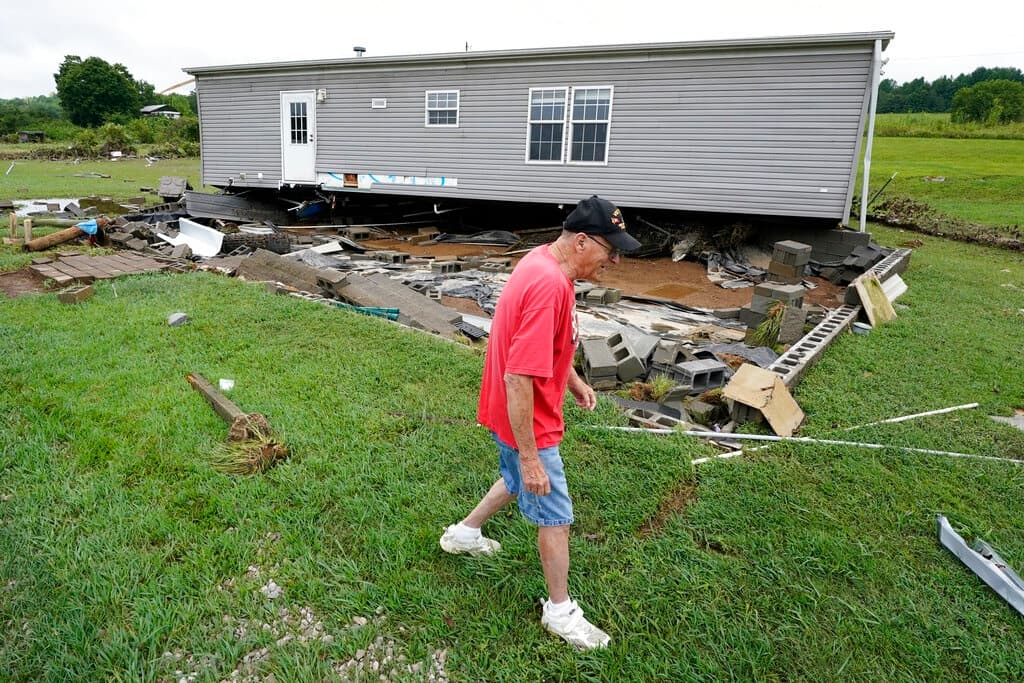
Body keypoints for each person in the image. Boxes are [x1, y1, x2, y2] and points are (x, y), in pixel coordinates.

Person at [440, 195, 641, 650]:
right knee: (556, 515)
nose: (614, 260)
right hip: (527, 420)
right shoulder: (551, 285)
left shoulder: (543, 263)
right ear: (583, 242)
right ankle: (560, 612)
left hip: (508, 415)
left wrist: (572, 381)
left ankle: (463, 534)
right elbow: (518, 377)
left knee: (512, 480)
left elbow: (543, 343)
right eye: (611, 250)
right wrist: (532, 456)